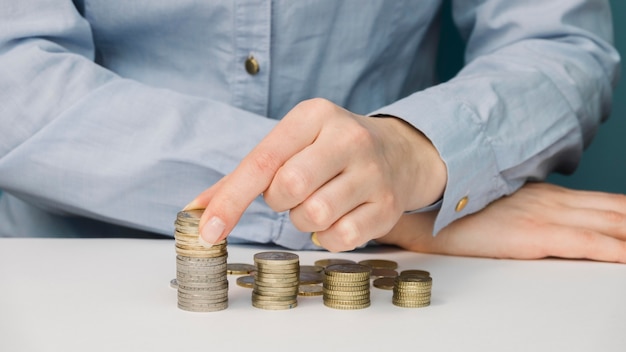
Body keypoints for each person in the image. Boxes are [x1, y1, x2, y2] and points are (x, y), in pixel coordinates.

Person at [0, 1, 622, 262]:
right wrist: (374, 200)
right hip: (69, 271)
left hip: (387, 289)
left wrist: (413, 149)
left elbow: (559, 40)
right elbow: (14, 83)